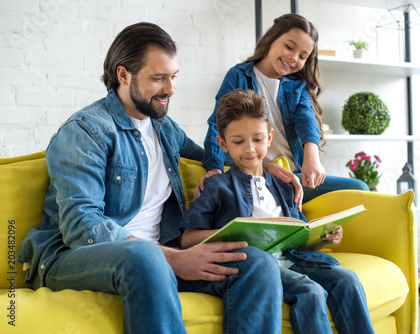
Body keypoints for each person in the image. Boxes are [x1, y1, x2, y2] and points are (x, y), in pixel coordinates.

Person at [17, 22, 283, 334]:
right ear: (123, 75)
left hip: (154, 255)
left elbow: (219, 152)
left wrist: (268, 165)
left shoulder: (164, 128)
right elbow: (81, 226)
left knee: (256, 263)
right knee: (145, 256)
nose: (170, 88)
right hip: (73, 258)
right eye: (158, 78)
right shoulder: (86, 131)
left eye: (173, 76)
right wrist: (173, 258)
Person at [181, 89, 375, 334]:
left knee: (348, 280)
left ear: (270, 137)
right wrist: (227, 234)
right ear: (223, 144)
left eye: (258, 139)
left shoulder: (284, 185)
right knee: (310, 290)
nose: (250, 149)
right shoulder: (217, 186)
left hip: (293, 261)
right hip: (258, 270)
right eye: (239, 141)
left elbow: (299, 238)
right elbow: (187, 239)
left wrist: (322, 237)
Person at [196, 13, 369, 204]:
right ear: (272, 38)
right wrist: (215, 168)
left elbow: (307, 120)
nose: (293, 58)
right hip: (257, 173)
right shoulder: (238, 76)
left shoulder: (298, 86)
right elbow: (217, 126)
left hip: (295, 175)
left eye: (303, 56)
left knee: (360, 189)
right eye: (289, 46)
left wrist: (312, 158)